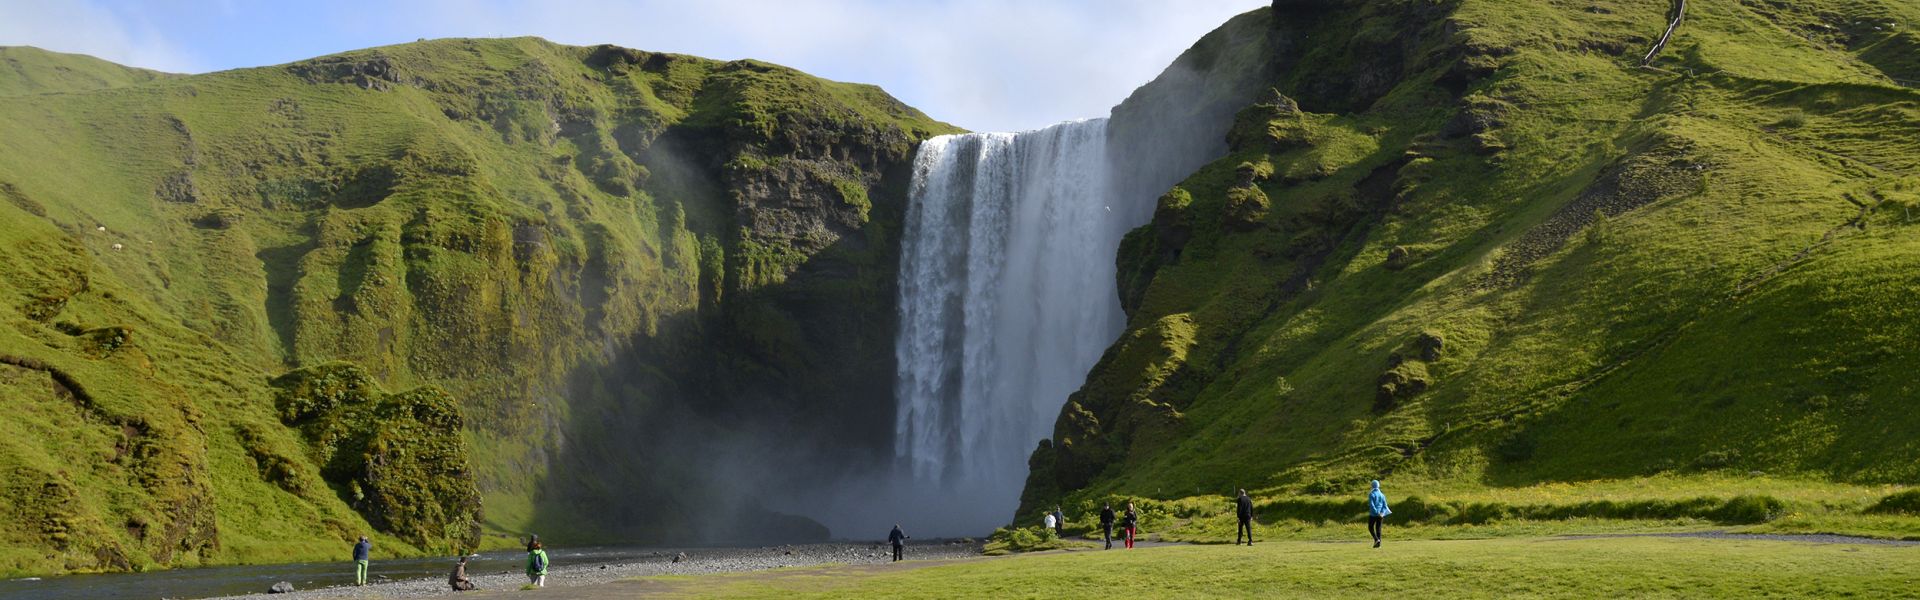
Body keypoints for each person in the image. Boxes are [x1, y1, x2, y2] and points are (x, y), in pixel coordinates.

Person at [1368, 480, 1392, 548]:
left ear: (1372, 486)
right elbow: (1385, 506)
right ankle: (1378, 545)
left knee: (1370, 527)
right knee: (1378, 529)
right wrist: (1382, 513)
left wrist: (1377, 512)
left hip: (1373, 514)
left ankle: (1376, 539)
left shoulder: (1371, 494)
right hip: (1381, 515)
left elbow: (1372, 505)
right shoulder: (1382, 495)